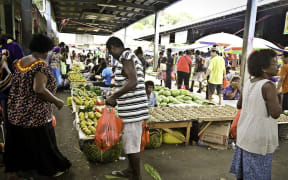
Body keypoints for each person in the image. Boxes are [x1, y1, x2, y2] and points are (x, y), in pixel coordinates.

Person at [4, 34, 71, 179]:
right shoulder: (39, 65)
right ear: (46, 50)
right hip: (34, 113)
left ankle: (24, 169)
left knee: (23, 142)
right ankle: (49, 168)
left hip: (17, 110)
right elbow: (39, 89)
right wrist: (56, 101)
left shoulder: (21, 61)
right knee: (43, 142)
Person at [230, 49, 282, 180]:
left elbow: (239, 105)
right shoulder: (268, 85)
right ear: (263, 68)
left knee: (245, 173)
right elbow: (275, 113)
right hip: (259, 139)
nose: (278, 66)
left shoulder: (248, 83)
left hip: (244, 136)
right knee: (258, 174)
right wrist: (278, 97)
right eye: (274, 63)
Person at [106, 37, 149, 180]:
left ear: (113, 48)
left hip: (133, 112)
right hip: (130, 110)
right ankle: (130, 170)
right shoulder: (128, 58)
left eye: (110, 53)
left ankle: (136, 176)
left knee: (131, 146)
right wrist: (117, 87)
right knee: (129, 144)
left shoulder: (126, 56)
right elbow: (127, 79)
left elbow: (133, 82)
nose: (112, 56)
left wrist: (114, 96)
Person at [0, 34, 25, 128]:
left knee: (8, 121)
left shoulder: (12, 46)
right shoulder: (14, 47)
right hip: (13, 90)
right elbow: (23, 67)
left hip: (7, 91)